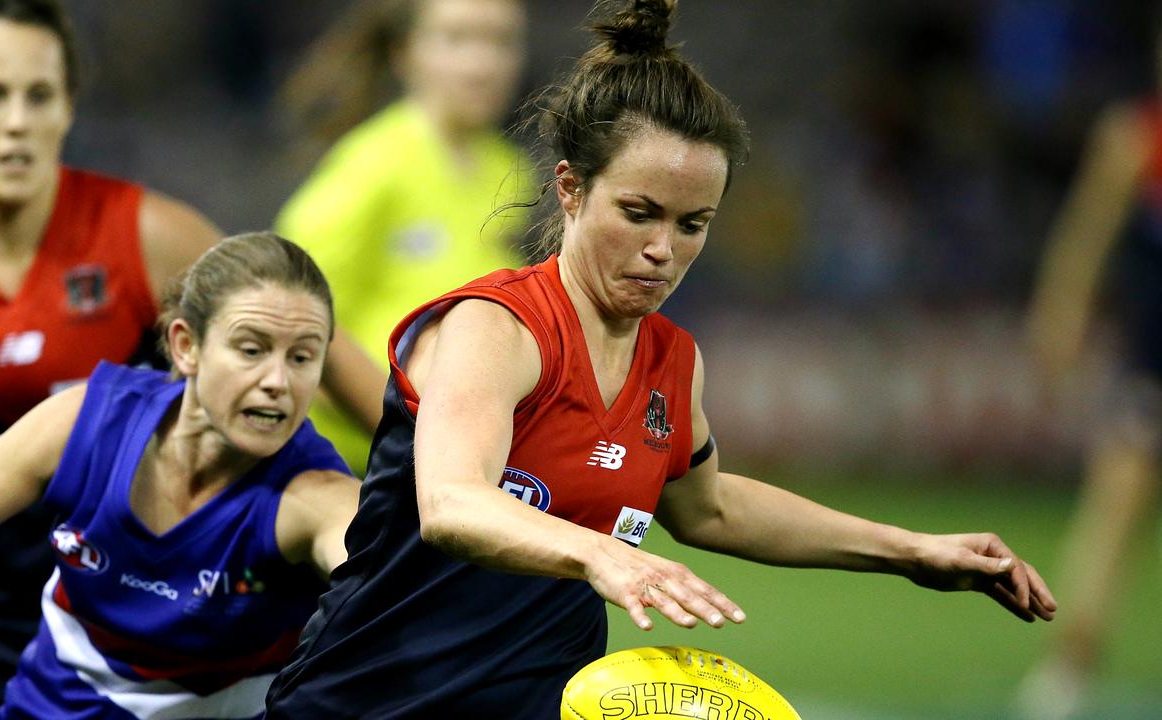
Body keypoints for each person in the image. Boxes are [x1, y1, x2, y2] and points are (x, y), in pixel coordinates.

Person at [265, 1, 1059, 717]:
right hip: (367, 704)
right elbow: (451, 504)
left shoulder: (673, 363)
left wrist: (913, 552)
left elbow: (709, 509)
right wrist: (598, 552)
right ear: (571, 190)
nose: (661, 250)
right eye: (638, 213)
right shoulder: (495, 326)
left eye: (692, 224)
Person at [0, 2, 376, 718]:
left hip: (154, 598)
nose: (17, 120)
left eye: (39, 95)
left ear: (68, 109)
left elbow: (289, 323)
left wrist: (435, 461)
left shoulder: (146, 235)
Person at [0, 231, 360, 719]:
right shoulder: (88, 424)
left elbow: (397, 605)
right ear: (185, 346)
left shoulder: (316, 498)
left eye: (302, 357)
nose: (278, 381)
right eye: (252, 350)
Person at [273, 0, 532, 471]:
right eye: (457, 39)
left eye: (501, 41)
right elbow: (285, 311)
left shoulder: (512, 174)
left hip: (451, 457)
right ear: (405, 53)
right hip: (347, 466)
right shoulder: (370, 167)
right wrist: (388, 424)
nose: (482, 64)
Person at [1017, 29, 1162, 720]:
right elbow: (1087, 233)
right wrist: (1061, 311)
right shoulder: (1137, 136)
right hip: (1154, 365)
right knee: (1116, 509)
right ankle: (1069, 669)